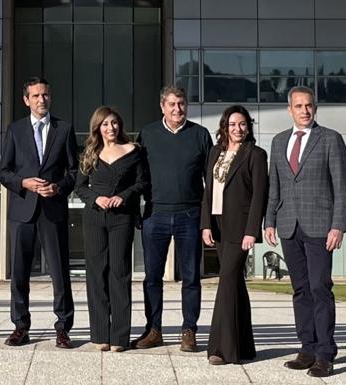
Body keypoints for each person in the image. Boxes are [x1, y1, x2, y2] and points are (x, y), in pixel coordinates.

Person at [265, 86, 346, 377]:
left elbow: (342, 188)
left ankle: (325, 352)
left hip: (319, 226)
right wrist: (269, 221)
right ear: (289, 109)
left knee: (319, 288)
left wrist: (338, 225)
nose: (304, 110)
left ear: (315, 108)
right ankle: (307, 347)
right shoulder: (278, 142)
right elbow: (274, 186)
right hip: (289, 225)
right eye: (299, 106)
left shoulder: (330, 139)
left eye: (309, 105)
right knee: (300, 290)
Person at [0, 76, 78, 348]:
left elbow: (74, 172)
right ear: (26, 100)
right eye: (35, 96)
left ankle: (63, 327)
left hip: (53, 209)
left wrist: (58, 187)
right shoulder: (15, 130)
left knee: (59, 272)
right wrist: (24, 183)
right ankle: (20, 326)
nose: (41, 100)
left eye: (45, 95)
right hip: (22, 211)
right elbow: (3, 172)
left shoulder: (64, 129)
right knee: (19, 272)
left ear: (50, 97)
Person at [135, 85, 212, 351]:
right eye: (172, 104)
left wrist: (206, 220)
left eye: (181, 103)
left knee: (191, 277)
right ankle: (153, 329)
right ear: (162, 106)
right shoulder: (147, 134)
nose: (177, 109)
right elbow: (138, 177)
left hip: (190, 215)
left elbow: (210, 181)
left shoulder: (200, 135)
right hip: (155, 214)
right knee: (152, 277)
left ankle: (189, 330)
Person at [75, 106, 147, 352]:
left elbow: (142, 182)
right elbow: (80, 187)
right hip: (94, 217)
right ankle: (99, 335)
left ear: (120, 125)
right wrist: (97, 198)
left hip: (122, 218)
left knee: (120, 273)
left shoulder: (134, 151)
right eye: (105, 124)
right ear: (97, 127)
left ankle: (119, 337)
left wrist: (123, 196)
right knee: (96, 275)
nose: (111, 128)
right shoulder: (90, 152)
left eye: (114, 123)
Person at [200, 105, 268, 365]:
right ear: (224, 127)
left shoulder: (255, 155)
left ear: (248, 126)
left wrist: (252, 231)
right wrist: (205, 224)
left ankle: (221, 349)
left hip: (240, 229)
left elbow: (259, 196)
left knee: (226, 282)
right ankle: (245, 347)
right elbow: (208, 192)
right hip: (217, 226)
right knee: (236, 285)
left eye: (242, 124)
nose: (238, 129)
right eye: (232, 124)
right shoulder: (215, 152)